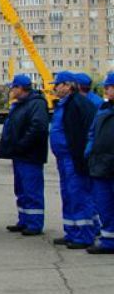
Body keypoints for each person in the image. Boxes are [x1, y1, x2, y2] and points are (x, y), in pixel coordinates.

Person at [0, 74, 50, 237]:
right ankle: (24, 220)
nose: (11, 91)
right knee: (21, 190)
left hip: (30, 156)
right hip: (20, 155)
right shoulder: (20, 104)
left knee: (32, 190)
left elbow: (38, 128)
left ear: (20, 88)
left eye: (13, 88)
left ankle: (34, 224)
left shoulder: (36, 104)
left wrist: (21, 145)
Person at [48, 72, 98, 249]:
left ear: (68, 86)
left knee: (79, 195)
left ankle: (84, 236)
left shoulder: (78, 104)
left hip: (74, 158)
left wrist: (81, 157)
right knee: (69, 195)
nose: (55, 88)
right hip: (64, 158)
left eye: (57, 85)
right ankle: (72, 231)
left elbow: (86, 132)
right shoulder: (65, 104)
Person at [83, 72, 114, 254]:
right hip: (100, 166)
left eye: (109, 87)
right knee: (104, 205)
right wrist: (89, 153)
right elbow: (92, 134)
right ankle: (109, 241)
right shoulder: (103, 110)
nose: (106, 90)